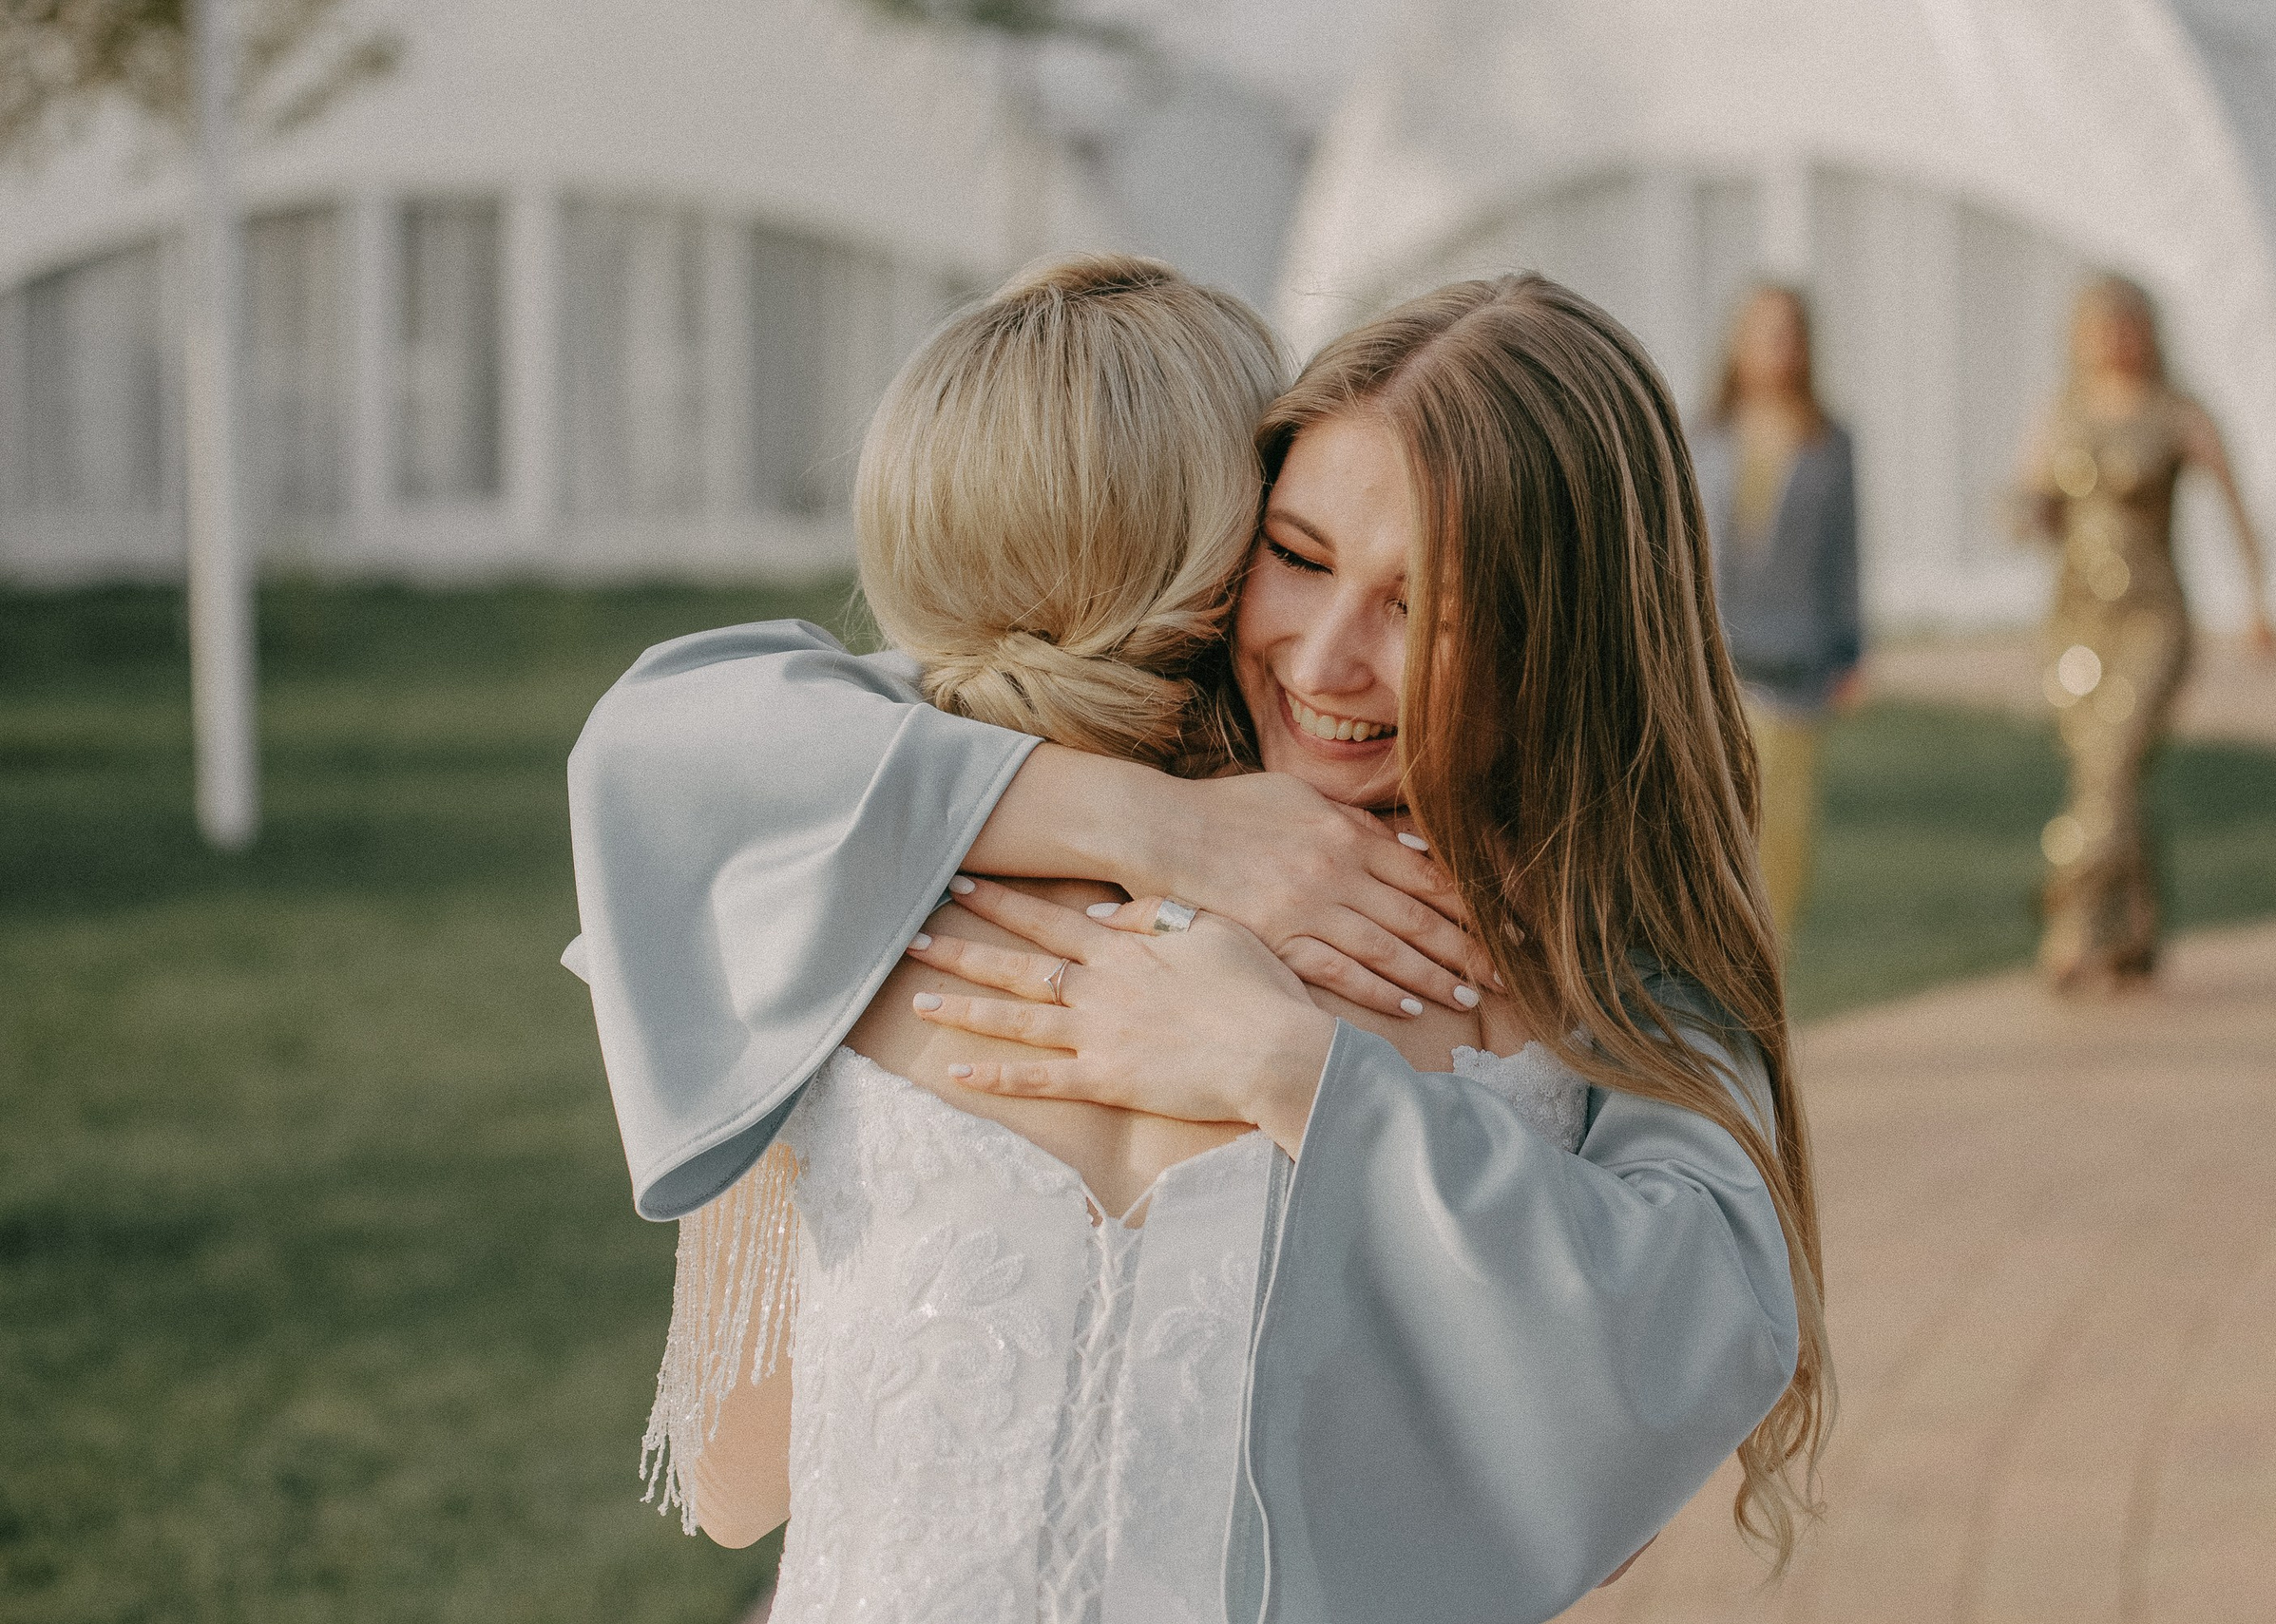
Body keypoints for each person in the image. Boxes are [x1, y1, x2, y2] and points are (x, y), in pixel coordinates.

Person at [568, 272, 1828, 1624]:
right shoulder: (927, 820)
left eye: (1430, 610)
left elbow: (739, 1475)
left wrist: (1291, 1069)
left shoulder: (1592, 971)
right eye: (1298, 556)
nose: (1324, 659)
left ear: (1570, 645)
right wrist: (1161, 825)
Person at [2012, 273, 2276, 993]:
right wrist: (2028, 514)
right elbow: (2033, 502)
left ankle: (2069, 917)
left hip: (2151, 617)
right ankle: (2133, 927)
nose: (2113, 340)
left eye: (2125, 325)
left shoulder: (2176, 413)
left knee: (2114, 758)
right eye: (2100, 326)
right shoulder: (2060, 412)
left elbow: (2237, 506)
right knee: (2103, 773)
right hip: (2076, 621)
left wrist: (2258, 602)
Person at [1691, 284, 1861, 935]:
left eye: (1789, 333)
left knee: (1782, 831)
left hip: (1794, 663)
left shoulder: (1829, 443)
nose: (1776, 347)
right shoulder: (1704, 435)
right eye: (1764, 332)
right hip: (1715, 660)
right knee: (1718, 821)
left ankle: (1769, 959)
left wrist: (1850, 647)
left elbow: (1844, 552)